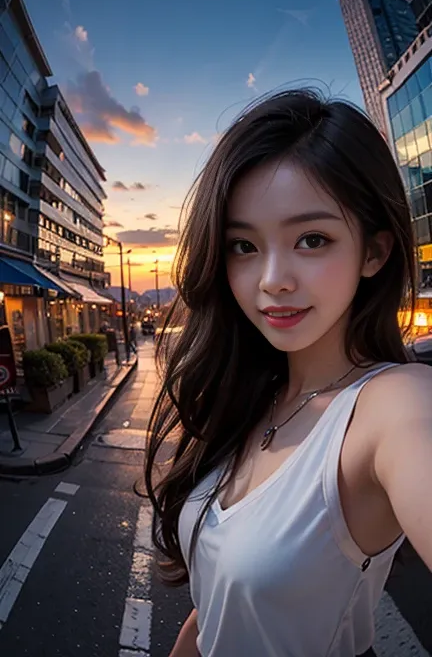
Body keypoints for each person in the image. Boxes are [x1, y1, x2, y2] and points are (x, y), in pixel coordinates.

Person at [144, 90, 432, 657]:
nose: (272, 279)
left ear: (373, 252)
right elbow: (217, 611)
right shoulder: (251, 396)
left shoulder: (392, 405)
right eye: (243, 245)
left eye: (311, 239)